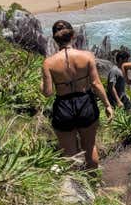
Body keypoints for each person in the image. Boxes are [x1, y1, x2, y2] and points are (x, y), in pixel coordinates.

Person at [40, 20, 113, 169]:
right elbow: (96, 84)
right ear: (73, 35)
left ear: (54, 39)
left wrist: (41, 84)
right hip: (86, 102)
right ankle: (94, 182)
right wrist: (107, 105)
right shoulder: (87, 56)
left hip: (63, 106)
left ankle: (75, 188)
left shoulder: (48, 63)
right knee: (90, 146)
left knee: (69, 153)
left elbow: (48, 93)